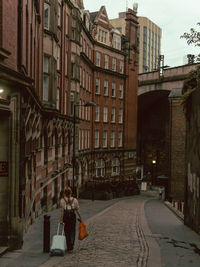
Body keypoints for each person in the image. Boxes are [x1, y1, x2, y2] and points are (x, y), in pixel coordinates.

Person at [60, 187, 82, 251]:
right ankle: (72, 244)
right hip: (72, 216)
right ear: (71, 192)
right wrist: (80, 218)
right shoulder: (75, 200)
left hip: (66, 216)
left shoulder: (62, 200)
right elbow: (77, 210)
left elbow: (62, 211)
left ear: (64, 193)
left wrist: (61, 220)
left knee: (66, 231)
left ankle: (68, 245)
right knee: (72, 230)